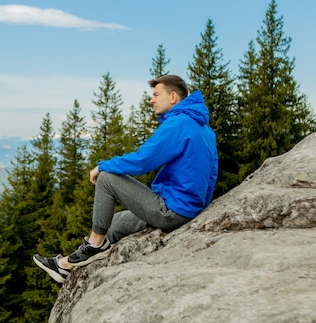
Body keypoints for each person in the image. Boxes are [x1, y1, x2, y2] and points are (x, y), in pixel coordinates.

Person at [33, 74, 218, 283]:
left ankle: (93, 246)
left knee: (107, 178)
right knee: (116, 222)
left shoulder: (179, 124)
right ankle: (67, 266)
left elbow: (143, 160)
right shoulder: (204, 129)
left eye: (156, 94)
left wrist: (102, 166)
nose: (152, 100)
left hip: (172, 211)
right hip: (187, 209)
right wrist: (198, 208)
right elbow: (211, 174)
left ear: (173, 97)